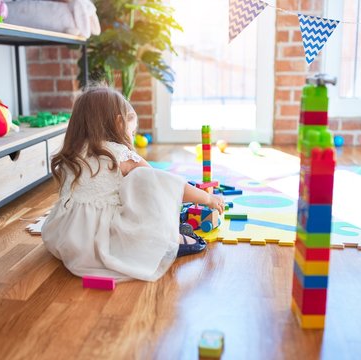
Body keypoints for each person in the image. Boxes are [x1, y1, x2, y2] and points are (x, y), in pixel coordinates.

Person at [42, 86, 225, 282]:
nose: (132, 135)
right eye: (132, 130)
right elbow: (164, 184)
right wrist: (208, 198)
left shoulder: (73, 154)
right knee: (146, 182)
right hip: (104, 240)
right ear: (119, 123)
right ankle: (172, 241)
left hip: (69, 237)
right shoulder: (122, 155)